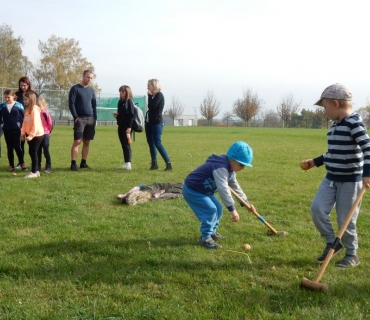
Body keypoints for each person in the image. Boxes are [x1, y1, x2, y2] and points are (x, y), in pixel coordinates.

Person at [301, 83, 370, 268]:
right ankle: (333, 242)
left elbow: (368, 148)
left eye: (325, 107)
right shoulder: (335, 125)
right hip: (331, 178)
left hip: (350, 181)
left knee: (345, 219)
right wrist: (314, 162)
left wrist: (367, 174)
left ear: (335, 103)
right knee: (317, 209)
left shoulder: (354, 123)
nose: (324, 111)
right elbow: (333, 152)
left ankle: (352, 254)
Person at [183, 141, 255, 249]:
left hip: (205, 191)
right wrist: (232, 209)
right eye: (241, 165)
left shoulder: (231, 171)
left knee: (218, 208)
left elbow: (236, 188)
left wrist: (246, 204)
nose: (243, 168)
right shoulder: (220, 167)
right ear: (232, 159)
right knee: (211, 210)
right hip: (193, 189)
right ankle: (205, 238)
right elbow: (223, 189)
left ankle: (212, 232)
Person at [68, 70, 97, 171]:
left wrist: (95, 117)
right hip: (80, 118)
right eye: (87, 77)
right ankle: (73, 163)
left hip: (90, 118)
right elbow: (71, 103)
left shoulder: (91, 91)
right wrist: (75, 116)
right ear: (83, 76)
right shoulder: (75, 89)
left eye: (91, 78)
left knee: (87, 141)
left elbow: (94, 105)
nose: (89, 79)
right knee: (77, 141)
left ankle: (83, 162)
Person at [146, 79, 172, 171]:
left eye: (149, 85)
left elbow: (152, 106)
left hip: (157, 123)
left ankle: (168, 163)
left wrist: (149, 96)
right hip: (149, 123)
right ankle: (154, 163)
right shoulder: (152, 97)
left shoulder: (159, 95)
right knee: (151, 143)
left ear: (154, 86)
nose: (147, 87)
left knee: (157, 143)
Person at [0, 89, 27, 172]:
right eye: (5, 97)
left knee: (17, 147)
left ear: (13, 97)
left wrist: (21, 127)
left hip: (17, 131)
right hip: (7, 131)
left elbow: (24, 117)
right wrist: (2, 124)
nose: (7, 99)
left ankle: (22, 163)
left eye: (8, 97)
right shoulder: (2, 106)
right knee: (9, 148)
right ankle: (11, 165)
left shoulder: (19, 105)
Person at [15, 76, 38, 169]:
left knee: (32, 146)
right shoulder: (17, 95)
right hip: (19, 121)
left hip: (30, 121)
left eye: (25, 85)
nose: (23, 87)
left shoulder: (33, 94)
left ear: (28, 85)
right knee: (20, 143)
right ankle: (21, 162)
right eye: (21, 85)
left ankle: (35, 164)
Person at [21, 91, 44, 178]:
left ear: (31, 100)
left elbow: (35, 124)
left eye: (26, 99)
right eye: (24, 99)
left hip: (37, 135)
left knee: (33, 152)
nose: (24, 101)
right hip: (29, 134)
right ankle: (37, 171)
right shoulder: (27, 109)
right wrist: (22, 133)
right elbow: (25, 122)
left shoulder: (34, 110)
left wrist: (31, 136)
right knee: (33, 152)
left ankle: (34, 171)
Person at [113, 85, 135, 170]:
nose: (121, 92)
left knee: (126, 144)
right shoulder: (120, 102)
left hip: (127, 126)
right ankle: (126, 162)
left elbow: (131, 115)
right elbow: (122, 114)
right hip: (121, 126)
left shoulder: (129, 101)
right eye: (120, 91)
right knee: (123, 144)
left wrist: (129, 127)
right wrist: (117, 116)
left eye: (123, 91)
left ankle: (128, 163)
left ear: (127, 92)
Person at [37, 97, 53, 173]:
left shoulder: (45, 113)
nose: (38, 107)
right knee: (38, 151)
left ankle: (48, 166)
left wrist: (48, 132)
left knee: (46, 150)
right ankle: (38, 165)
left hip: (45, 134)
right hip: (37, 135)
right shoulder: (35, 113)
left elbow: (50, 123)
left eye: (39, 105)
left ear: (43, 105)